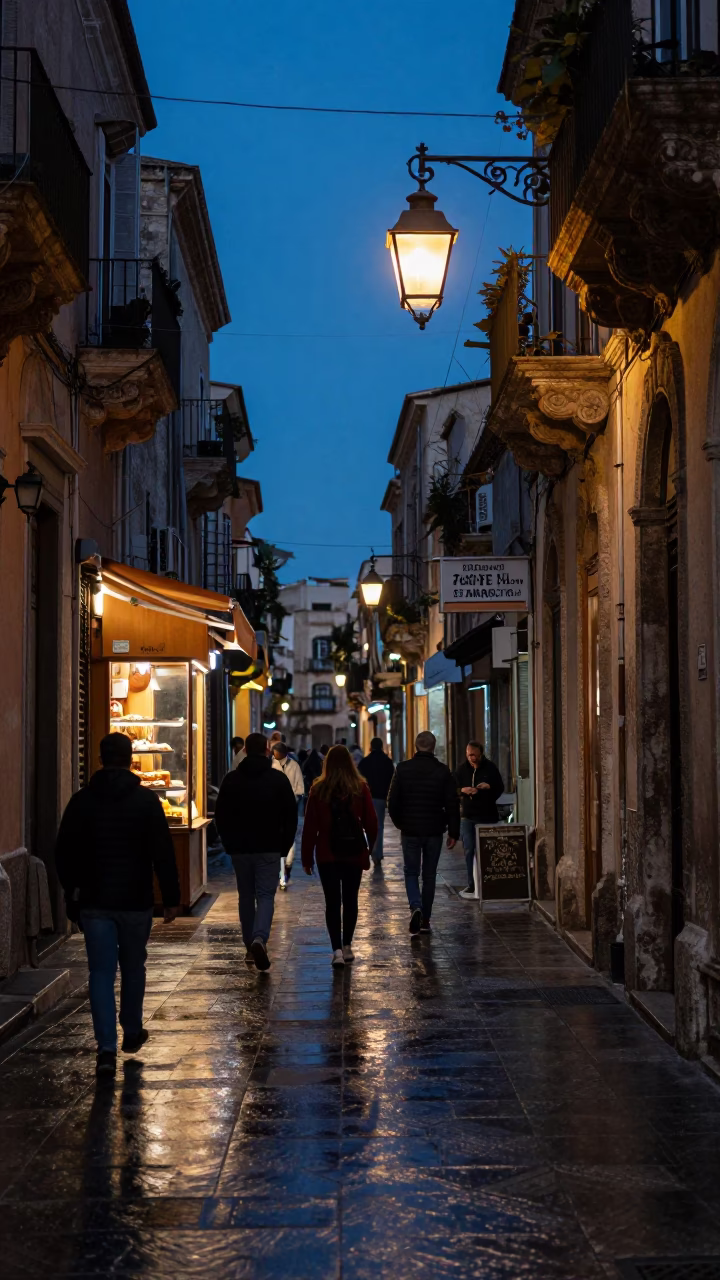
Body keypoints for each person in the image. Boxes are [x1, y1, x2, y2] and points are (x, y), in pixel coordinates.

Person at [55, 732, 180, 1077]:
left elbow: (63, 852)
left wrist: (72, 892)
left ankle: (106, 1048)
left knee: (100, 972)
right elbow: (163, 852)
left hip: (95, 900)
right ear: (130, 761)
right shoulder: (146, 802)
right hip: (136, 900)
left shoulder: (81, 802)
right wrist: (171, 898)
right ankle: (132, 1028)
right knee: (134, 966)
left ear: (99, 759)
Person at [215, 732, 298, 971]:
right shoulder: (278, 779)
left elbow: (221, 815)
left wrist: (228, 842)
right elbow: (290, 816)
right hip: (269, 847)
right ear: (267, 750)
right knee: (264, 896)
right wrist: (285, 845)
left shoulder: (231, 780)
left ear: (245, 751)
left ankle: (250, 945)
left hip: (240, 849)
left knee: (245, 896)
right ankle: (259, 938)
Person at [301, 745, 377, 967]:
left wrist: (306, 858)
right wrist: (369, 847)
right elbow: (372, 823)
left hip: (327, 853)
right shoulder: (360, 788)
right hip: (353, 852)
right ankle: (347, 945)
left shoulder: (318, 789)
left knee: (332, 902)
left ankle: (336, 950)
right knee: (350, 900)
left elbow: (309, 827)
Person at [387, 730, 460, 936]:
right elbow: (452, 804)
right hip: (434, 830)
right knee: (429, 875)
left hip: (410, 830)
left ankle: (415, 906)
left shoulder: (402, 769)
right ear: (434, 747)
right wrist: (453, 832)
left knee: (411, 872)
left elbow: (392, 802)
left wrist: (401, 823)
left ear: (415, 746)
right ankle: (426, 919)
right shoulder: (443, 771)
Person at [455, 741, 505, 898]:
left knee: (487, 850)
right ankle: (472, 884)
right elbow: (452, 788)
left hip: (486, 816)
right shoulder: (462, 770)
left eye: (474, 754)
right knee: (469, 850)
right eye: (469, 754)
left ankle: (488, 883)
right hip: (468, 817)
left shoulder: (490, 768)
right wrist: (462, 790)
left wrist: (488, 787)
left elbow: (500, 788)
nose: (472, 758)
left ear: (481, 754)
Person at [272, 742, 305, 887]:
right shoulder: (271, 766)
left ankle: (288, 866)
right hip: (275, 809)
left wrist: (294, 800)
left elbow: (300, 789)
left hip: (291, 807)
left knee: (290, 838)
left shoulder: (295, 766)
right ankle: (280, 871)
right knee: (277, 839)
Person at [358, 737, 395, 865]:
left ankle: (371, 850)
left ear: (371, 746)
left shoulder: (365, 762)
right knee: (379, 826)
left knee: (367, 824)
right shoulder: (387, 762)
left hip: (366, 797)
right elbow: (392, 780)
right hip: (380, 797)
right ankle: (377, 853)